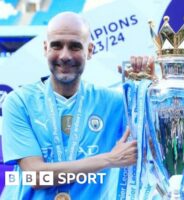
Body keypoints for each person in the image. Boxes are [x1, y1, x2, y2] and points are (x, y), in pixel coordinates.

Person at [1, 12, 137, 199]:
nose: (65, 56)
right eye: (56, 45)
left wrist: (147, 85)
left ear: (89, 51)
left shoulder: (114, 104)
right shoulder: (19, 102)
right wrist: (109, 159)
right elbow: (36, 176)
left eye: (74, 46)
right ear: (45, 48)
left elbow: (156, 142)